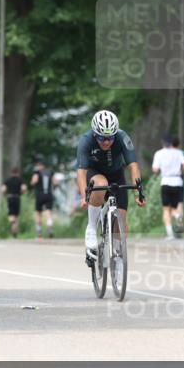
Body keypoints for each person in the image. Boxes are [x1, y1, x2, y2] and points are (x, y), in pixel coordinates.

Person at [76, 109, 146, 261]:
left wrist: (137, 193)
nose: (106, 142)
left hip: (116, 175)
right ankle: (92, 228)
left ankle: (118, 259)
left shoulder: (122, 137)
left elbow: (133, 166)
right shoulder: (86, 140)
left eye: (110, 137)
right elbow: (81, 172)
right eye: (102, 138)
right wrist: (84, 196)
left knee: (121, 221)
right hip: (95, 173)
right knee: (101, 183)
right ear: (95, 134)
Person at [152, 135, 184, 240]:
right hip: (178, 181)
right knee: (174, 207)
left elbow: (155, 169)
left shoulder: (159, 153)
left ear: (163, 143)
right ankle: (178, 216)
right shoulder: (178, 153)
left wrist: (160, 170)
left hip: (166, 181)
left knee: (166, 209)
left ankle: (170, 234)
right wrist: (180, 170)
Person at [30, 159, 57, 239]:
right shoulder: (50, 172)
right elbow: (55, 182)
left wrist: (32, 183)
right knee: (49, 212)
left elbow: (34, 181)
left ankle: (39, 232)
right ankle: (49, 226)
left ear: (39, 165)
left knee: (38, 213)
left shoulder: (37, 172)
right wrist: (54, 187)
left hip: (39, 195)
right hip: (48, 194)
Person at [2, 166, 27, 238]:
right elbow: (24, 188)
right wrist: (21, 193)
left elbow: (3, 189)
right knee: (17, 216)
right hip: (17, 197)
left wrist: (5, 194)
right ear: (17, 172)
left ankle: (12, 222)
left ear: (11, 172)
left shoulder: (7, 180)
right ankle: (15, 233)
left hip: (10, 197)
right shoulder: (20, 180)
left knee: (11, 214)